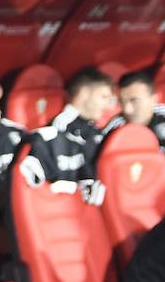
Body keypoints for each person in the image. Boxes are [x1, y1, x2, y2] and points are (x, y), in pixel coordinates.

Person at [19, 67, 115, 204]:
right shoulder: (56, 133)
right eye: (103, 97)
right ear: (84, 93)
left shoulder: (95, 132)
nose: (107, 105)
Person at [103, 70, 165, 157]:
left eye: (134, 101)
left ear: (154, 99)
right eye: (122, 102)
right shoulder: (114, 128)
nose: (127, 110)